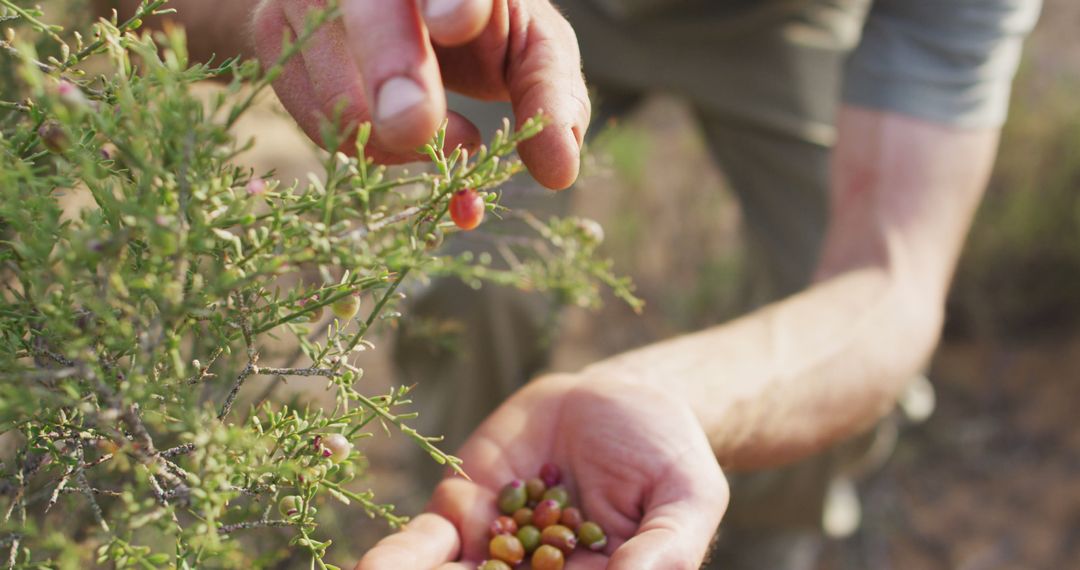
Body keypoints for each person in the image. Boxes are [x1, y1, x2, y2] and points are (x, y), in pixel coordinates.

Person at [107, 0, 1042, 568]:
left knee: (829, 377)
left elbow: (888, 279)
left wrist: (658, 397)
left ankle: (758, 546)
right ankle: (453, 515)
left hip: (800, 28)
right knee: (473, 286)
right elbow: (148, 18)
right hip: (529, 14)